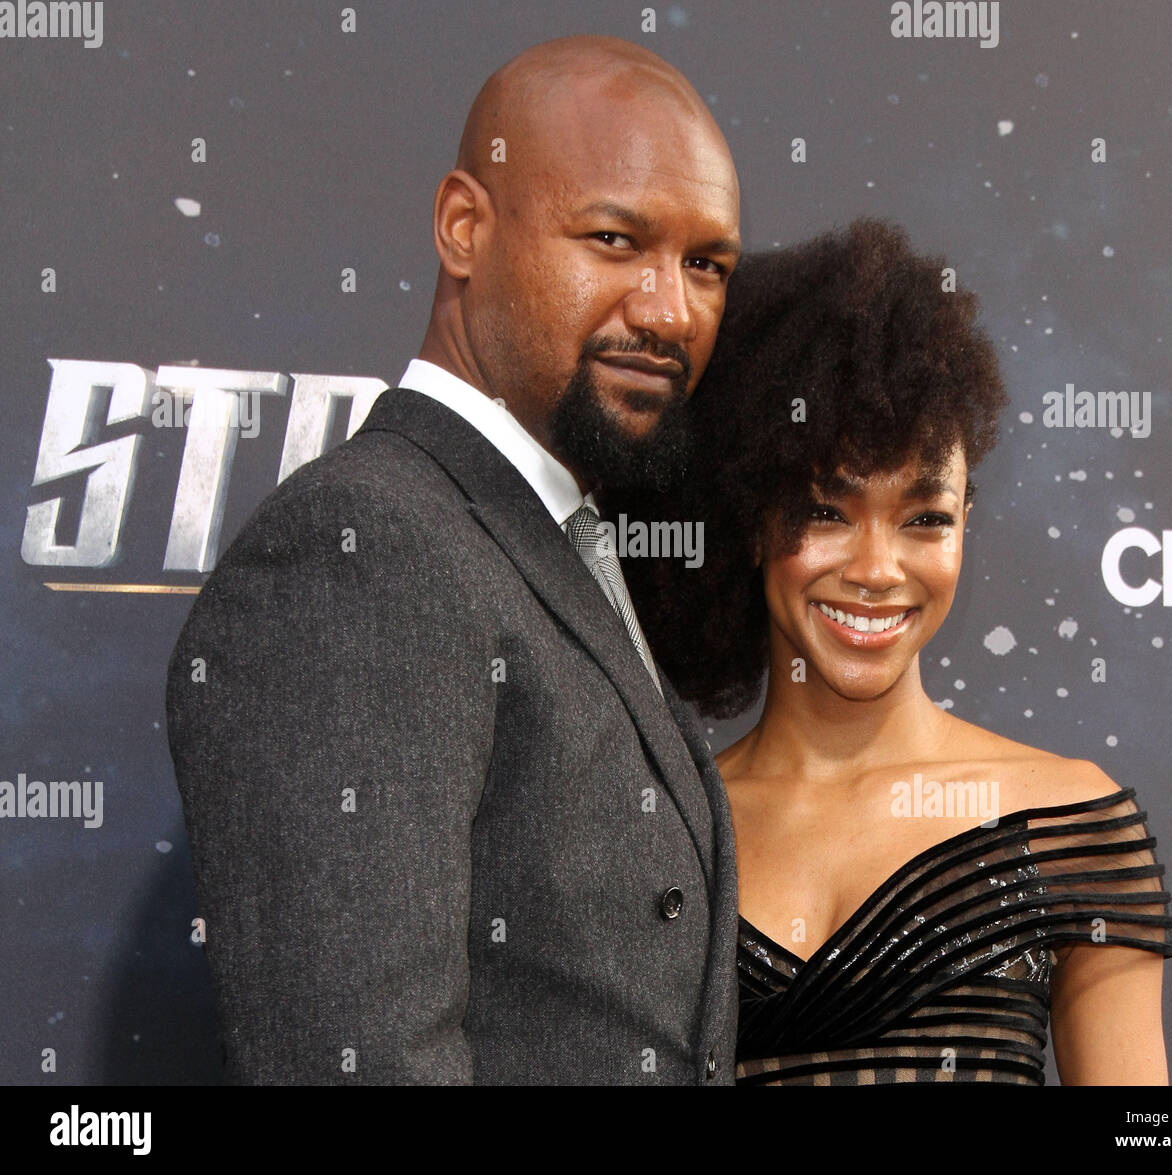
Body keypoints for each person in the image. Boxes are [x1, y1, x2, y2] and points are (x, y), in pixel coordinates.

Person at [165, 35, 743, 1085]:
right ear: (464, 227)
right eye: (615, 239)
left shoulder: (549, 534)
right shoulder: (362, 552)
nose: (671, 309)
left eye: (706, 264)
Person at [606, 217, 1172, 1085]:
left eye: (925, 519)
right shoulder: (667, 829)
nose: (878, 569)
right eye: (827, 512)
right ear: (754, 521)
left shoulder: (1068, 824)